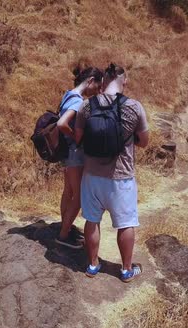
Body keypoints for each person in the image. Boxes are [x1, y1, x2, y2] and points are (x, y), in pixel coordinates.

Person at [74, 63, 149, 282]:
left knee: (92, 220)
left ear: (104, 81)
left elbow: (78, 138)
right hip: (121, 177)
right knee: (125, 224)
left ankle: (92, 265)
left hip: (91, 176)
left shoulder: (86, 106)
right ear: (124, 81)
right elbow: (144, 142)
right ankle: (126, 270)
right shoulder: (134, 107)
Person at [54, 65, 103, 249]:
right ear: (90, 81)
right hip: (75, 153)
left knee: (68, 191)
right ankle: (64, 235)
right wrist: (77, 137)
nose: (98, 91)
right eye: (97, 87)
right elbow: (61, 123)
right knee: (80, 197)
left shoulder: (68, 94)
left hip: (66, 152)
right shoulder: (78, 101)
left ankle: (65, 226)